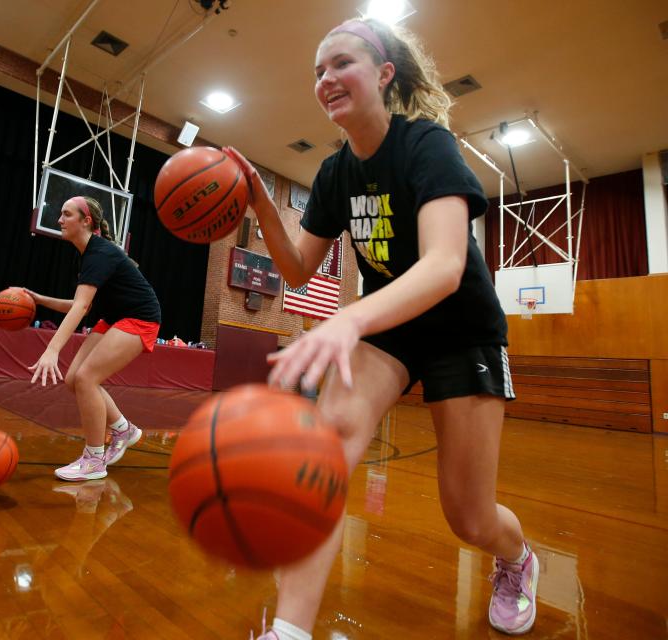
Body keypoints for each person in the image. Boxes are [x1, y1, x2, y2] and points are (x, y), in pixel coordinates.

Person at [223, 17, 537, 639]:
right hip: (391, 329)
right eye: (318, 71)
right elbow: (295, 270)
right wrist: (260, 201)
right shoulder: (337, 174)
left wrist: (348, 319)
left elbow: (446, 266)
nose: (326, 79)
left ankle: (516, 559)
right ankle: (289, 631)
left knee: (469, 517)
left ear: (384, 73)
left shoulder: (426, 145)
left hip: (461, 329)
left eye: (341, 63)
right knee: (330, 440)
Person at [25, 196, 161, 482]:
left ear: (86, 221)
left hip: (140, 317)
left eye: (66, 214)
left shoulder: (100, 253)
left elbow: (81, 307)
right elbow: (78, 303)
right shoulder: (87, 254)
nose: (59, 220)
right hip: (114, 318)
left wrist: (52, 349)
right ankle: (124, 429)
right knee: (74, 378)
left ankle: (94, 459)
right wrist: (39, 299)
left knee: (87, 378)